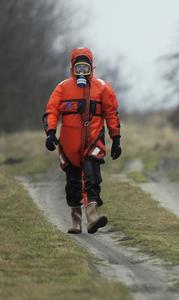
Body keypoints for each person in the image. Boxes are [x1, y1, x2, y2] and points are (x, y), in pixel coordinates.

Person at [43, 47, 122, 234]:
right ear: (72, 68)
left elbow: (111, 114)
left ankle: (92, 216)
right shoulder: (62, 88)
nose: (81, 72)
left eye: (85, 68)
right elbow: (51, 111)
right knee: (73, 184)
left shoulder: (103, 88)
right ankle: (76, 221)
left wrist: (116, 138)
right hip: (69, 144)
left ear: (91, 68)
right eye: (78, 68)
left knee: (92, 177)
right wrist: (50, 132)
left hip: (93, 139)